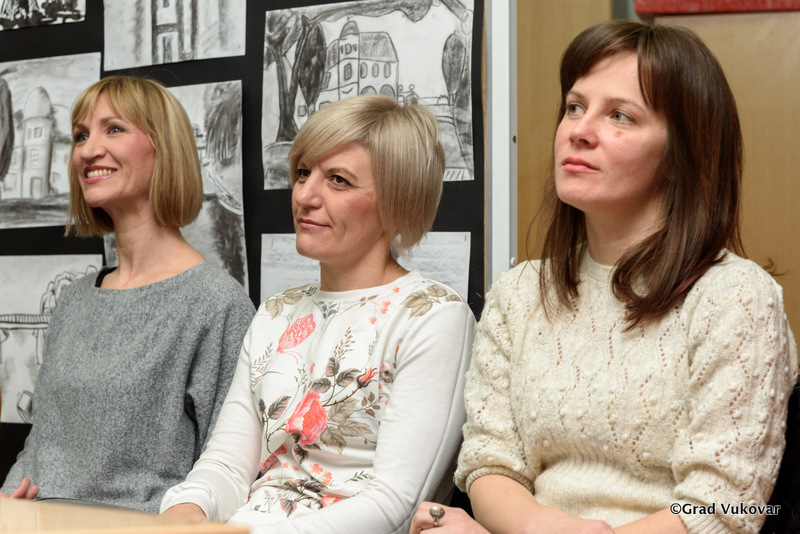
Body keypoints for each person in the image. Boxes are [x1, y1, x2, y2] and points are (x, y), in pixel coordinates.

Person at [410, 20, 797, 534]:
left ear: (681, 154)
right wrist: (536, 529)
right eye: (575, 107)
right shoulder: (520, 292)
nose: (579, 130)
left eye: (620, 115)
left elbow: (725, 507)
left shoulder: (735, 297)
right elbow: (489, 460)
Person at [160, 95, 477, 533]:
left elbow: (396, 506)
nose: (305, 196)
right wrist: (184, 512)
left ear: (398, 202)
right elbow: (226, 466)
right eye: (304, 172)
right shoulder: (276, 313)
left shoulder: (432, 317)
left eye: (339, 180)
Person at [0, 75, 255, 512]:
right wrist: (8, 501)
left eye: (113, 129)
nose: (87, 150)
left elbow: (229, 472)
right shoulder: (74, 299)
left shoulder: (217, 304)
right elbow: (41, 446)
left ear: (164, 148)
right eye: (81, 135)